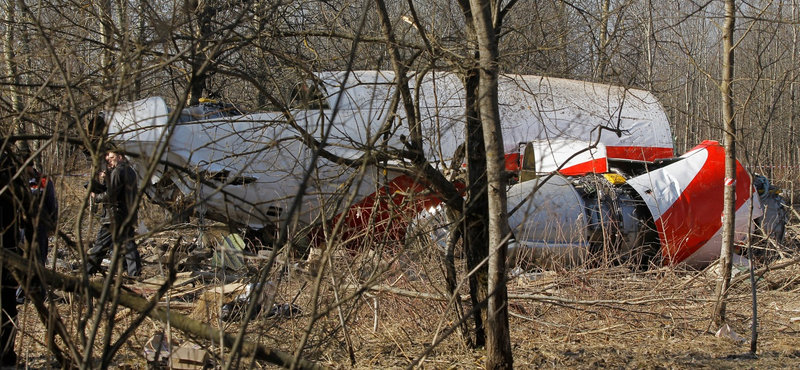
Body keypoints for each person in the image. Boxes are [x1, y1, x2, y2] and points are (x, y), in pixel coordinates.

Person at [86, 150, 142, 277]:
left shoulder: (117, 171)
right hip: (127, 214)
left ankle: (88, 270)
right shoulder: (131, 171)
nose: (108, 159)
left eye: (112, 157)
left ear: (120, 157)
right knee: (128, 244)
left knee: (100, 245)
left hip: (113, 215)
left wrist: (96, 197)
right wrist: (107, 178)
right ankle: (135, 273)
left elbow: (111, 195)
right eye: (107, 157)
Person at [0, 151, 21, 366]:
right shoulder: (12, 168)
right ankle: (7, 354)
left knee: (7, 303)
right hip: (11, 249)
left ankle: (7, 354)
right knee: (8, 303)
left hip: (7, 249)